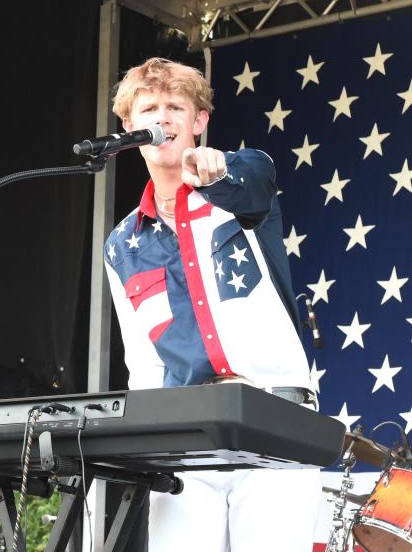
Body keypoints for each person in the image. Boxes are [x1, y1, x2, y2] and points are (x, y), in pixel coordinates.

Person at [103, 58, 318, 552]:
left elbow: (245, 182)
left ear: (199, 121)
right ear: (130, 127)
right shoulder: (121, 245)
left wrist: (211, 172)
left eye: (177, 106)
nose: (165, 118)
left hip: (273, 418)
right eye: (151, 108)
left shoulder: (246, 176)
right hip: (187, 439)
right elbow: (144, 362)